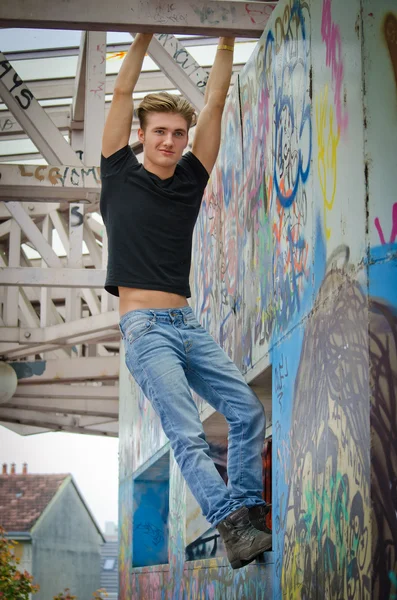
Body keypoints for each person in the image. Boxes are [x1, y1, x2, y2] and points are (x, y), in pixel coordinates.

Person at [100, 33, 271, 570]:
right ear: (142, 137)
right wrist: (145, 37)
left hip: (187, 323)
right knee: (188, 434)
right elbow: (123, 93)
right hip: (145, 329)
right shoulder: (118, 173)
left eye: (178, 133)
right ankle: (232, 524)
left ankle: (248, 510)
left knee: (246, 411)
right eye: (161, 133)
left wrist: (225, 43)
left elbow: (216, 102)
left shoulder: (192, 177)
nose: (171, 141)